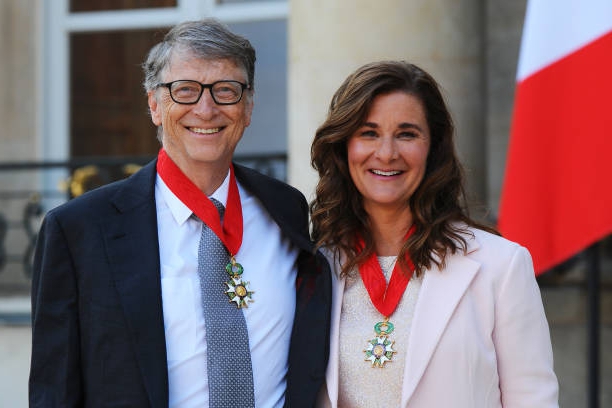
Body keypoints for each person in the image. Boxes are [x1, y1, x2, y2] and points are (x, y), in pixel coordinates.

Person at [29, 19, 331, 408]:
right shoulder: (79, 230)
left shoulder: (285, 208)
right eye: (185, 90)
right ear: (155, 105)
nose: (206, 109)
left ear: (248, 107)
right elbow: (54, 391)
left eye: (226, 90)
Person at [310, 60, 558, 407]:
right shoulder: (316, 266)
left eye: (407, 134)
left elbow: (532, 400)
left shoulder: (501, 266)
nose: (386, 153)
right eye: (369, 133)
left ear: (433, 147)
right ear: (343, 146)